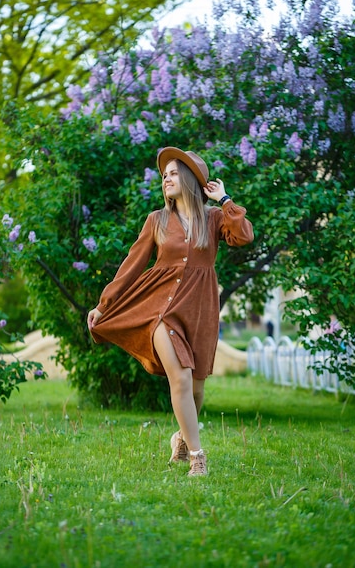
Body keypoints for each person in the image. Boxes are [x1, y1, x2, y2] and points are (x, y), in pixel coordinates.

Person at [87, 147, 254, 476]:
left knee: (195, 388)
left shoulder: (215, 218)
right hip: (160, 308)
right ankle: (197, 457)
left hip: (201, 308)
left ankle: (181, 435)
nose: (166, 178)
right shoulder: (156, 220)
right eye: (165, 175)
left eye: (174, 173)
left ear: (192, 180)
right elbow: (131, 266)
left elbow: (244, 236)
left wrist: (224, 199)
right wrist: (103, 304)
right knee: (179, 378)